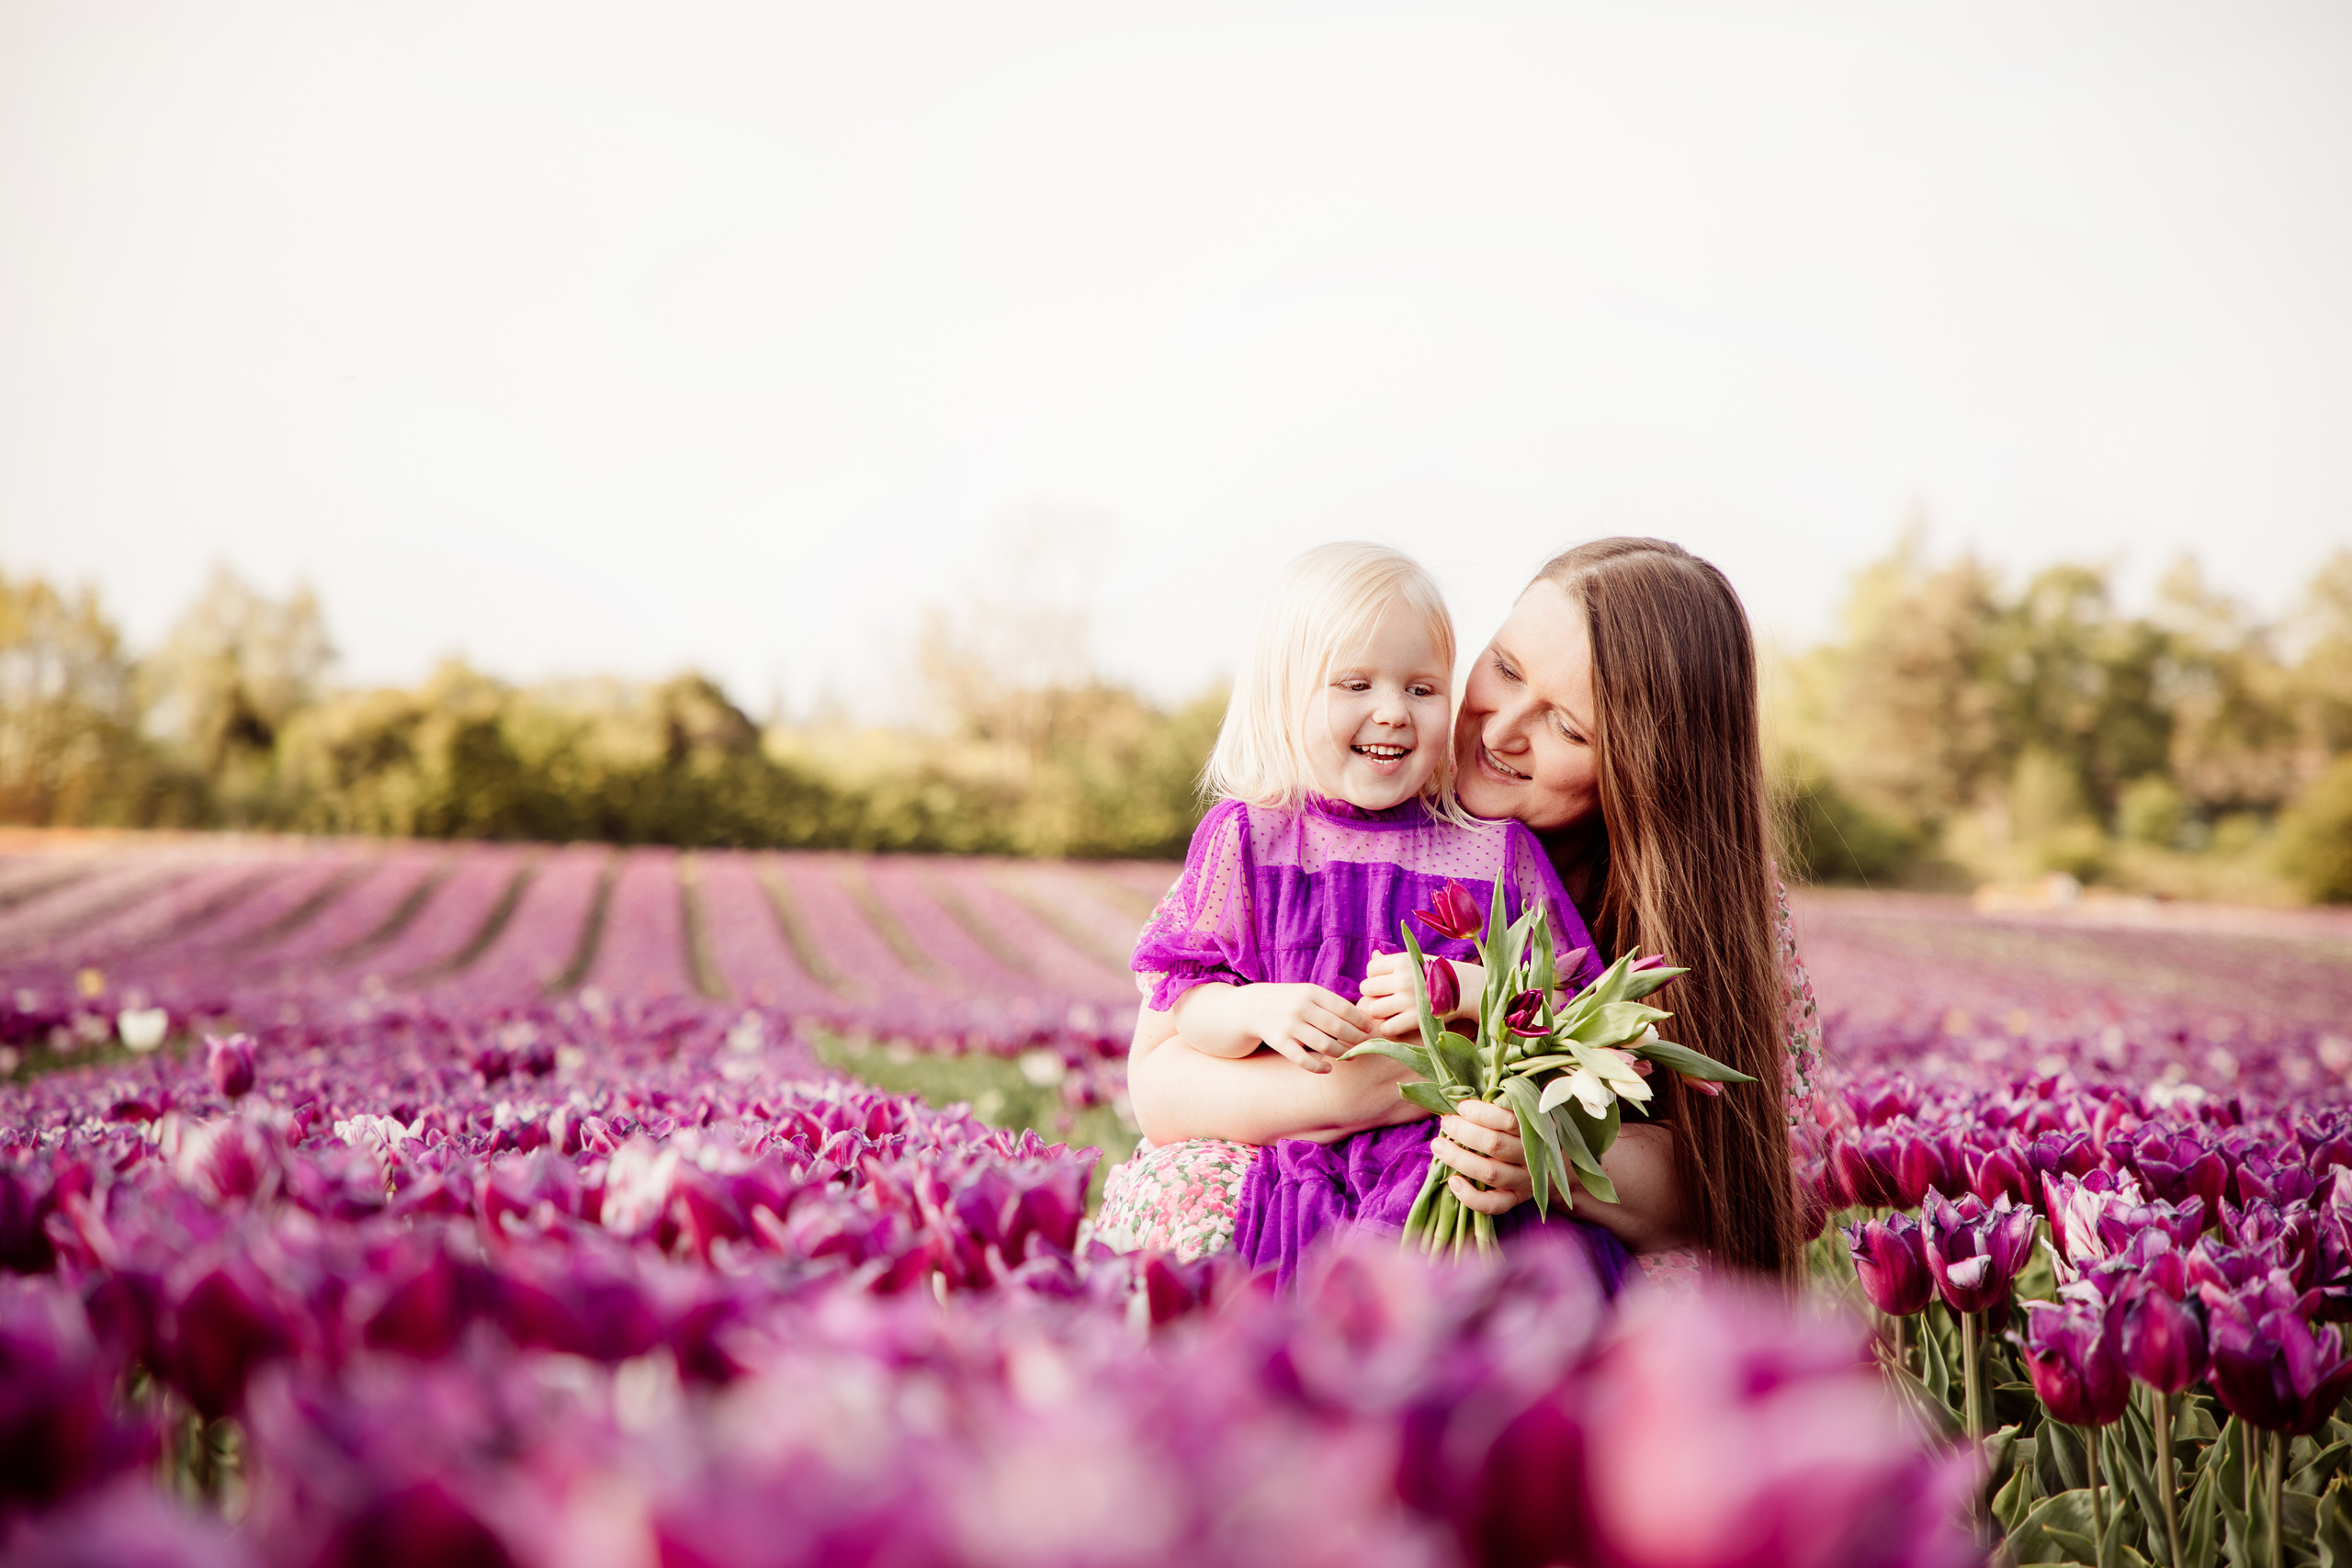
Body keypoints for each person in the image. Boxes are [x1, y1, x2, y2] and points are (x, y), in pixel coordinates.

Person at [1113, 537, 1820, 1283]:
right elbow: (1165, 1075)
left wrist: (1546, 1148)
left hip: (1504, 1207)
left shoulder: (1705, 901)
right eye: (1505, 668)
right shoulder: (1312, 816)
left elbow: (1748, 1179)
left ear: (1649, 769)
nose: (1498, 729)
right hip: (1309, 1179)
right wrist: (1365, 1088)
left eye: (1568, 727)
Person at [1092, 542, 1605, 1268]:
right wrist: (1253, 1010)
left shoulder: (1492, 850)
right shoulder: (1254, 839)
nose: (1393, 712)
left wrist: (1458, 988)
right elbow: (1187, 998)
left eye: (1423, 688)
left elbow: (1567, 995)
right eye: (1356, 683)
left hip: (1442, 1164)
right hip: (1295, 1159)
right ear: (1285, 696)